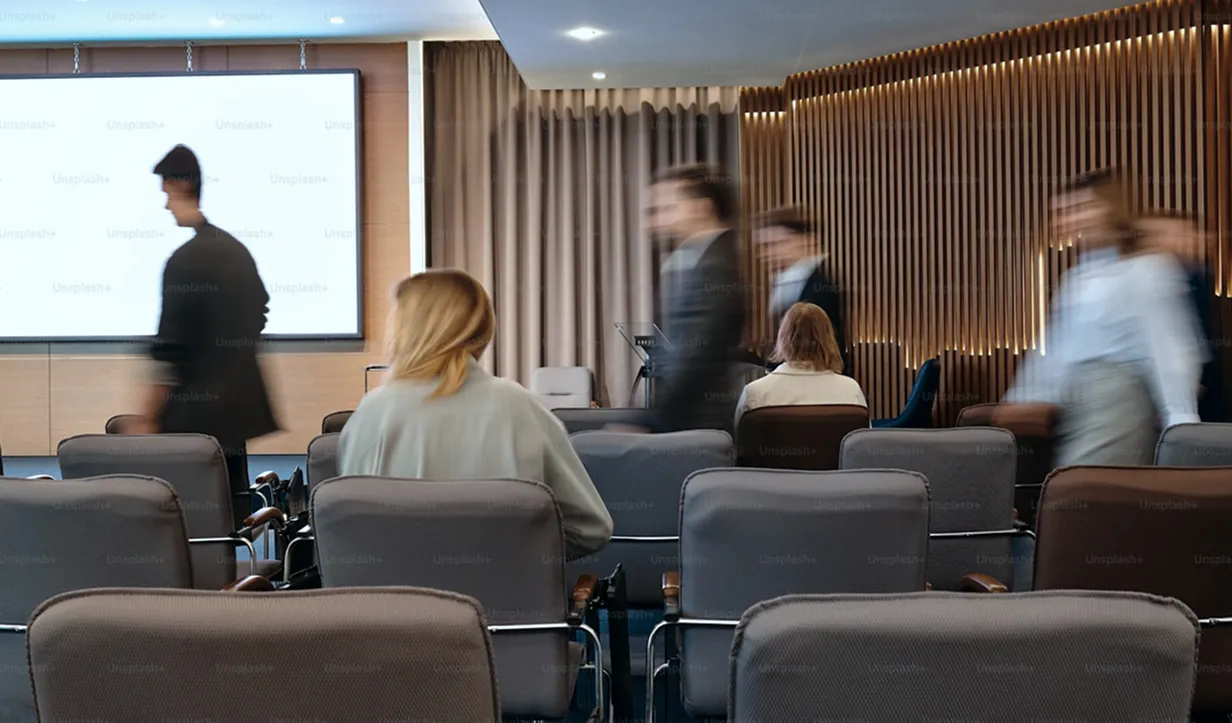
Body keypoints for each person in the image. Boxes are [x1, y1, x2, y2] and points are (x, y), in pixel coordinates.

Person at [337, 269, 613, 559]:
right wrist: (523, 555)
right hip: (505, 600)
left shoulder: (370, 414)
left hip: (395, 602)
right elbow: (591, 528)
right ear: (481, 331)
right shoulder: (519, 406)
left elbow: (351, 534)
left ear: (402, 331)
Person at [996, 170, 1202, 466]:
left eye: (1080, 208)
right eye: (1063, 212)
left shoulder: (1146, 269)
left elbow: (1169, 351)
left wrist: (1181, 423)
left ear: (1109, 209)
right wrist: (1027, 396)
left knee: (1087, 491)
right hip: (1076, 405)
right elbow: (1056, 349)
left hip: (1118, 401)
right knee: (1079, 492)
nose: (1070, 219)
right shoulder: (1077, 277)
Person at [128, 145, 279, 528]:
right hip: (232, 416)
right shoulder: (235, 250)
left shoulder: (184, 261)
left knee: (186, 526)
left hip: (191, 422)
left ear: (180, 185)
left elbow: (170, 352)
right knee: (228, 519)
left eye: (166, 192)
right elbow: (260, 309)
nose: (165, 205)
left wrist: (145, 418)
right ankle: (228, 584)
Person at [634, 163, 747, 434]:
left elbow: (696, 361)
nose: (653, 222)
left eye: (665, 209)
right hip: (685, 424)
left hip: (696, 427)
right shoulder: (696, 258)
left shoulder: (717, 266)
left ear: (701, 208)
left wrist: (649, 423)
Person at [1138, 211, 1226, 423]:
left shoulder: (1194, 281)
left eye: (1161, 234)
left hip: (1195, 397)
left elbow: (1198, 342)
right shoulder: (1150, 282)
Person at [733, 302, 866, 427]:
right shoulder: (850, 391)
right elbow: (860, 445)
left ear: (783, 339)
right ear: (829, 340)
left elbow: (740, 444)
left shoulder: (755, 394)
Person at [754, 207, 849, 372]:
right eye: (763, 246)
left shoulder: (822, 285)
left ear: (807, 240)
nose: (767, 253)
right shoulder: (787, 281)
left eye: (776, 244)